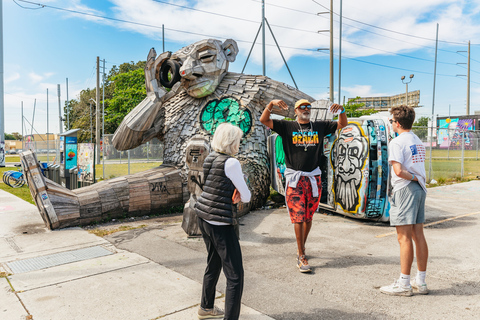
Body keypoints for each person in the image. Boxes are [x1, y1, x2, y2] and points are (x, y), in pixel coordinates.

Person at [260, 99, 347, 272]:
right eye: (302, 107)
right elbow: (264, 120)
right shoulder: (287, 126)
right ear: (296, 111)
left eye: (308, 107)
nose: (306, 109)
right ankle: (301, 256)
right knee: (298, 216)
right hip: (295, 178)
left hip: (313, 178)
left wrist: (342, 110)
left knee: (308, 217)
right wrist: (271, 104)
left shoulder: (319, 126)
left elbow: (342, 124)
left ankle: (302, 247)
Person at [194, 122, 251, 319]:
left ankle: (206, 306)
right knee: (235, 276)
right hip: (220, 222)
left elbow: (214, 184)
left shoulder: (210, 157)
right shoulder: (232, 163)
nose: (240, 143)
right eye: (238, 140)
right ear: (232, 141)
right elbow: (247, 196)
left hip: (204, 216)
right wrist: (239, 189)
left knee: (214, 262)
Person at [380, 105, 428, 296]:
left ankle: (404, 284)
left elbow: (399, 171)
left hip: (405, 189)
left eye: (391, 121)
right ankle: (421, 282)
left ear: (397, 123)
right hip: (419, 190)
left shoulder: (397, 142)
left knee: (404, 238)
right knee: (418, 235)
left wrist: (414, 178)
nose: (391, 123)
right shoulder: (417, 139)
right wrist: (418, 179)